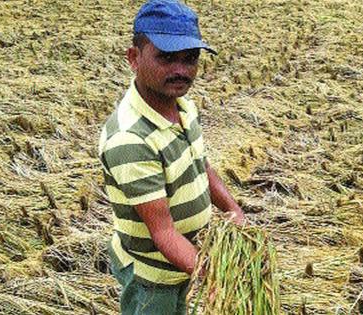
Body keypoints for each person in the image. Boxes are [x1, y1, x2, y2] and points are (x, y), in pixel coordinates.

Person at [98, 1, 245, 314]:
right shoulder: (130, 139)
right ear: (134, 58)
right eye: (166, 57)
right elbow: (163, 233)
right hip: (153, 276)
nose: (181, 70)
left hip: (186, 260)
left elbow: (200, 165)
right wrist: (223, 276)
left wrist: (233, 210)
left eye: (190, 58)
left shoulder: (184, 107)